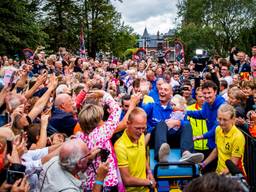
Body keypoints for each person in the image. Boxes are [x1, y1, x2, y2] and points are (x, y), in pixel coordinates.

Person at [142, 82, 203, 163]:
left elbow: (185, 123)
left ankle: (186, 153)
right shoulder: (151, 106)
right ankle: (161, 154)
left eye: (165, 89)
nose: (162, 91)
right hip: (156, 139)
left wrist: (177, 122)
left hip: (173, 138)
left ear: (171, 93)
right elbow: (139, 114)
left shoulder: (176, 107)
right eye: (160, 89)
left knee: (186, 124)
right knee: (161, 124)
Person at [37, 140, 109, 192]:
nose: (90, 154)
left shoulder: (54, 161)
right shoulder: (69, 190)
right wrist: (99, 179)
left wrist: (88, 160)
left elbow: (74, 171)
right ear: (79, 163)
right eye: (88, 154)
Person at [114, 107, 156, 192]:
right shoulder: (120, 146)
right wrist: (149, 182)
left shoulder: (140, 136)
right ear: (128, 124)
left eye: (143, 128)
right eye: (137, 128)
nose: (141, 132)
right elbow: (127, 180)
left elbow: (143, 156)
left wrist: (149, 172)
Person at [200, 104, 246, 175]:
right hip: (219, 172)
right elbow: (217, 150)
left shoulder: (238, 137)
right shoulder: (218, 129)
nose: (221, 123)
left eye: (225, 120)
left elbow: (234, 163)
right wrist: (203, 164)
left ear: (232, 119)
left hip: (233, 177)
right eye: (219, 119)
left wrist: (220, 176)